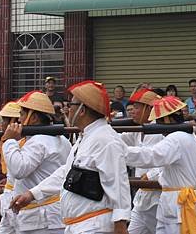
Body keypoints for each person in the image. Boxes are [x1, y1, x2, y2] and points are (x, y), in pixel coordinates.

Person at [11, 80, 132, 234]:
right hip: (80, 225)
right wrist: (32, 194)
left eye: (71, 105)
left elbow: (118, 183)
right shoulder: (86, 137)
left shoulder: (105, 139)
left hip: (94, 226)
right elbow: (66, 173)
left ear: (82, 110)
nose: (67, 109)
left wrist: (120, 224)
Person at [125, 95, 196, 234]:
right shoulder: (190, 136)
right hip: (175, 201)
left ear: (166, 119)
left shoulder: (175, 138)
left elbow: (151, 156)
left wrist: (119, 151)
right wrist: (190, 176)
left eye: (158, 121)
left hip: (178, 203)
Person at [1, 90, 72, 234]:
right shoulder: (62, 140)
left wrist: (9, 141)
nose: (18, 120)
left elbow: (19, 170)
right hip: (46, 215)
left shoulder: (38, 141)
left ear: (33, 117)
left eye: (21, 114)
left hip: (41, 217)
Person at [121, 89, 163, 234]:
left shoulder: (162, 129)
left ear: (149, 109)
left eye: (137, 107)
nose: (133, 111)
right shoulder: (138, 129)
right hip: (142, 195)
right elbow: (121, 141)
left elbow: (169, 160)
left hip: (159, 196)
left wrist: (151, 176)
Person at [0, 101, 21, 234]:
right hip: (10, 193)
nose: (1, 123)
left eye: (4, 120)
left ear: (13, 121)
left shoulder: (20, 142)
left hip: (17, 196)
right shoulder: (9, 140)